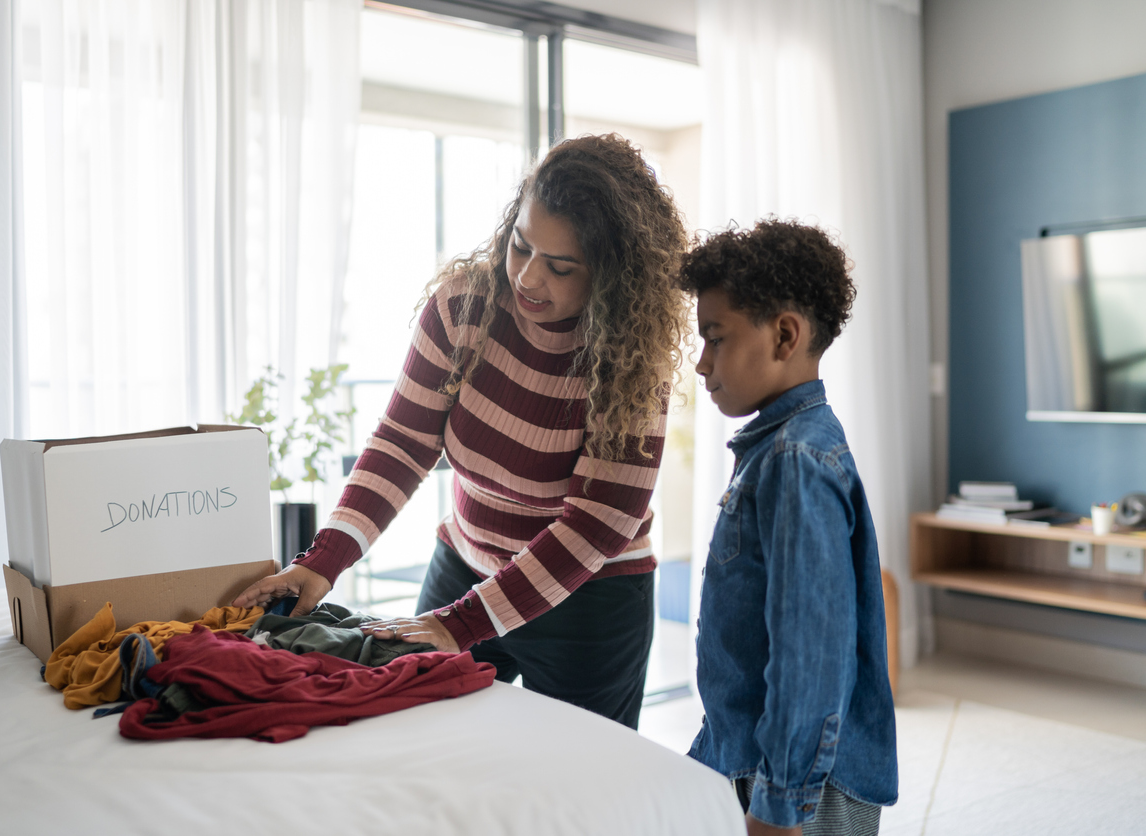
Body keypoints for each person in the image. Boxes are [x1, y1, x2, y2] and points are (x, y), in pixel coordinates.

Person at [233, 133, 689, 729]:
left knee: (570, 799)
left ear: (610, 272)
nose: (527, 277)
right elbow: (402, 443)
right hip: (466, 565)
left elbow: (598, 522)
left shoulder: (629, 360)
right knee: (424, 745)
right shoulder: (463, 309)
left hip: (587, 601)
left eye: (559, 266)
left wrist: (460, 624)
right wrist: (324, 560)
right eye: (521, 246)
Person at [679, 219, 898, 836]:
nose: (701, 364)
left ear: (784, 335)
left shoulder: (795, 461)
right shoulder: (780, 450)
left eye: (715, 338)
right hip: (754, 759)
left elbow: (811, 651)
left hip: (804, 788)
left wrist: (782, 802)